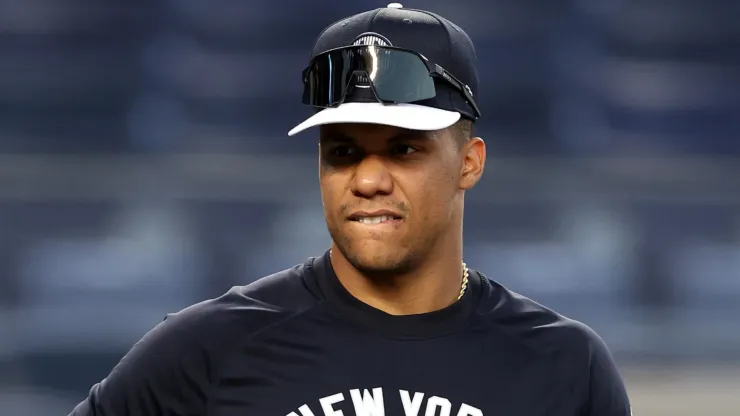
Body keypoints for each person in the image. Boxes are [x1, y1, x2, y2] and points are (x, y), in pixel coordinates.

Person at [70, 4, 631, 415]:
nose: (366, 179)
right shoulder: (209, 350)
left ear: (469, 162)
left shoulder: (563, 366)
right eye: (342, 152)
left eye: (403, 149)